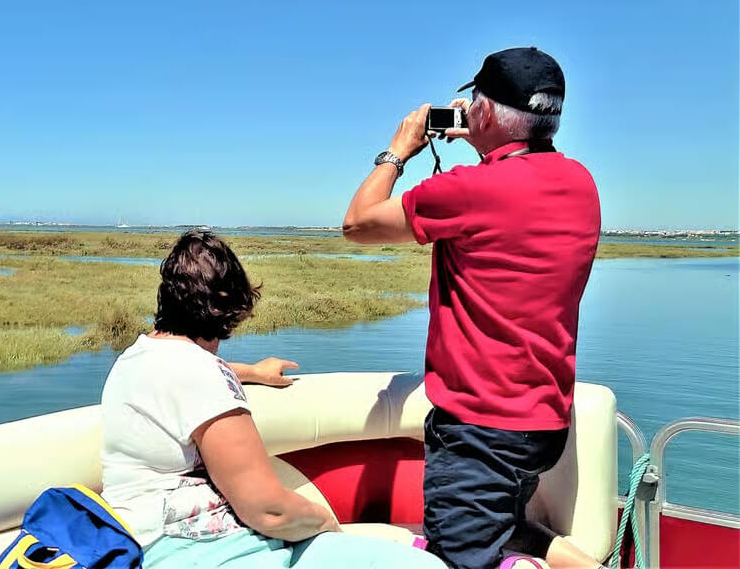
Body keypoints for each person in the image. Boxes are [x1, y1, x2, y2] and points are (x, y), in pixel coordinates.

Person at [342, 48, 604, 569]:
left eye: (475, 102)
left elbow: (357, 223)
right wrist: (489, 140)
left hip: (479, 432)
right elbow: (518, 184)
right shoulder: (581, 183)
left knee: (461, 559)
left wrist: (398, 150)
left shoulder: (468, 190)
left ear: (481, 112)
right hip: (542, 423)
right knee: (508, 530)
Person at [100, 229, 445, 568]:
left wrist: (252, 371)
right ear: (226, 306)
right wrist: (327, 523)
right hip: (207, 549)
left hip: (144, 542)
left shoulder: (135, 357)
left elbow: (184, 375)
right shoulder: (200, 373)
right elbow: (268, 510)